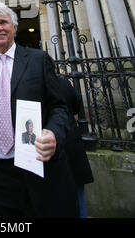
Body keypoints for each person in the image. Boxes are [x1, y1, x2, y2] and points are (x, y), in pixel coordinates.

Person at [0, 3, 79, 218]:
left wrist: (54, 134)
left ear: (14, 26)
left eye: (3, 22)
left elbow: (60, 106)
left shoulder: (38, 60)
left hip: (35, 164)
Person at [57, 76, 94, 218]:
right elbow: (76, 108)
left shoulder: (36, 85)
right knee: (78, 200)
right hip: (72, 146)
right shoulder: (64, 83)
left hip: (59, 151)